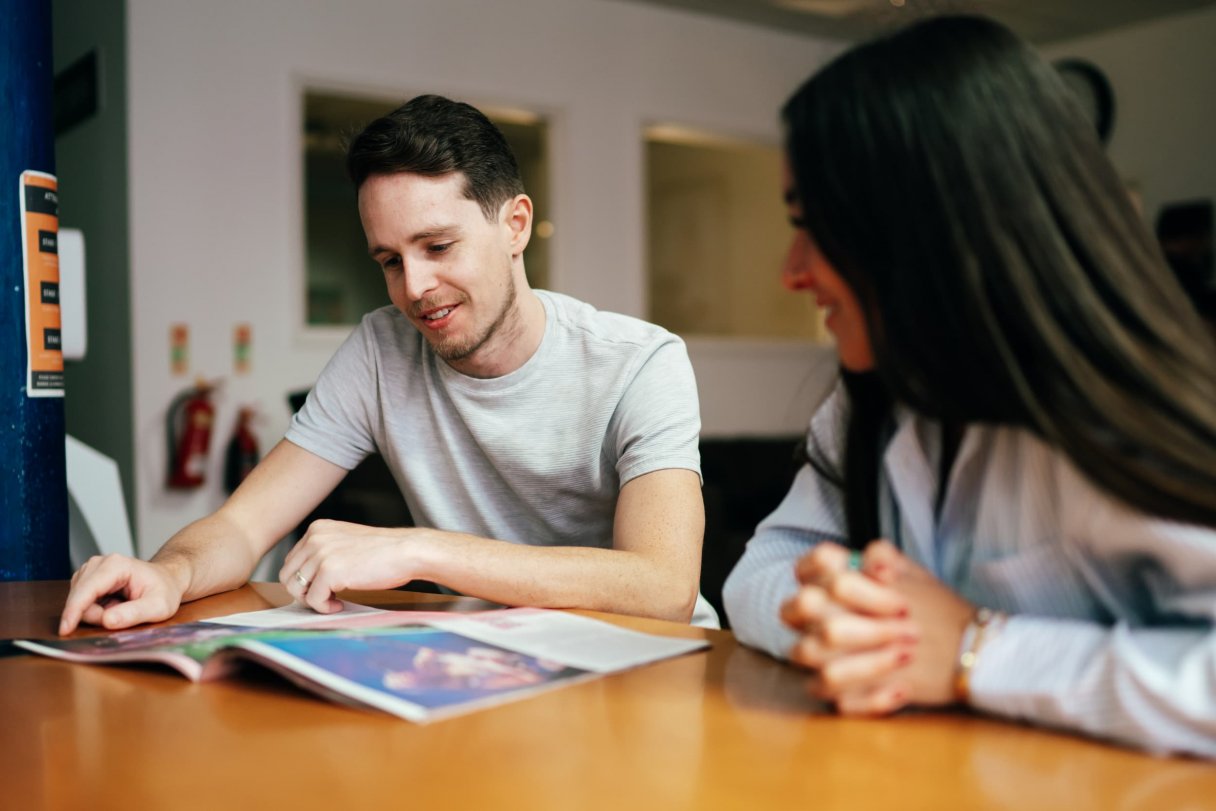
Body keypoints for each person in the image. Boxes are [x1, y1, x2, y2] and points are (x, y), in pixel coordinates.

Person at [722, 15, 1216, 757]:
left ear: (923, 226)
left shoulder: (1112, 418)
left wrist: (975, 650)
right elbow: (760, 567)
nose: (791, 272)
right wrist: (857, 622)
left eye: (813, 225)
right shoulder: (872, 397)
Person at [62, 94, 716, 634]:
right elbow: (240, 524)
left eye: (437, 245)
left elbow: (663, 586)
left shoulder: (640, 363)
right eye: (390, 260)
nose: (415, 286)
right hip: (493, 660)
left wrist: (417, 546)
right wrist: (168, 573)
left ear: (515, 225)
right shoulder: (380, 352)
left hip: (644, 664)